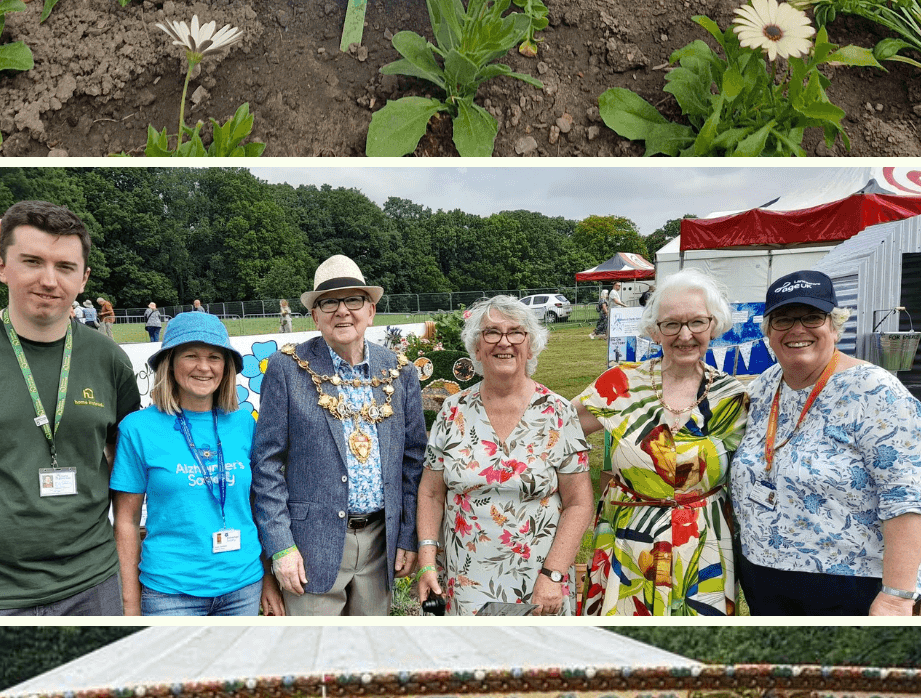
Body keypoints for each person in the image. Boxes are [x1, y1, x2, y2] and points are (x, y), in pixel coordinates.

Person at [0, 200, 141, 615]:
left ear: (83, 278)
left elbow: (120, 456)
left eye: (65, 267)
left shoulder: (109, 360)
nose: (48, 280)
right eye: (31, 261)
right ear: (0, 266)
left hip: (90, 584)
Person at [728, 270, 921, 616]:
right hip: (764, 583)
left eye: (812, 317)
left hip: (853, 589)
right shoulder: (763, 387)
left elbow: (908, 500)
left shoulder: (876, 392)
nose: (797, 329)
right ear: (768, 334)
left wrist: (896, 597)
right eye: (783, 320)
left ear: (834, 326)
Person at [251, 256, 426, 615]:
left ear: (371, 311)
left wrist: (407, 536)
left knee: (367, 655)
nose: (342, 311)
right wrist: (281, 547)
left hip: (380, 542)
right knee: (312, 657)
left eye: (353, 301)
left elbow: (413, 461)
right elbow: (266, 465)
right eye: (328, 302)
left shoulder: (399, 371)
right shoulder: (288, 368)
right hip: (310, 544)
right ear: (315, 316)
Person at [574, 269, 749, 615]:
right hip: (629, 543)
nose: (685, 335)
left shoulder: (734, 397)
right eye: (671, 324)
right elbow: (555, 428)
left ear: (714, 325)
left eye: (697, 322)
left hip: (704, 546)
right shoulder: (621, 384)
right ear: (655, 330)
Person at [413, 296, 591, 615]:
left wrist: (553, 575)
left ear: (531, 345)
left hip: (541, 581)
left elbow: (579, 503)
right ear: (477, 349)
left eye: (516, 332)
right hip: (463, 583)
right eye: (491, 333)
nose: (504, 342)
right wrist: (427, 558)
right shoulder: (452, 412)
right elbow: (430, 492)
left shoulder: (558, 413)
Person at [111, 312, 275, 616]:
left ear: (226, 367)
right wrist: (130, 603)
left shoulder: (244, 423)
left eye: (214, 357)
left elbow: (260, 506)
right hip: (170, 594)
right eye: (191, 355)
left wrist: (268, 580)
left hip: (243, 586)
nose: (204, 366)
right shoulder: (138, 428)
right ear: (170, 363)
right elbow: (126, 522)